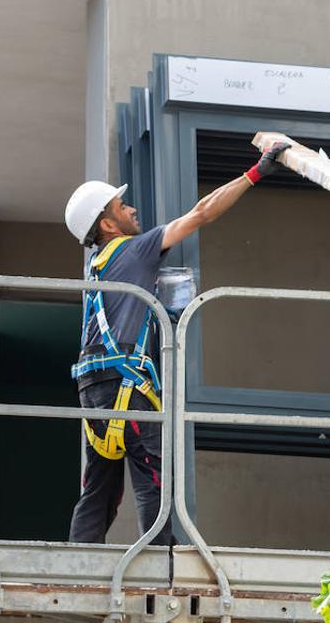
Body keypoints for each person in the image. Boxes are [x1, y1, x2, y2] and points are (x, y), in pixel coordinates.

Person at [62, 142, 291, 544]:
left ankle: (80, 564)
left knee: (99, 488)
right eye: (121, 205)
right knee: (154, 476)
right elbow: (202, 213)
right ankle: (160, 567)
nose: (131, 209)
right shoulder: (135, 249)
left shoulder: (97, 266)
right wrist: (254, 173)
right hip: (124, 386)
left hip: (93, 388)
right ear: (108, 225)